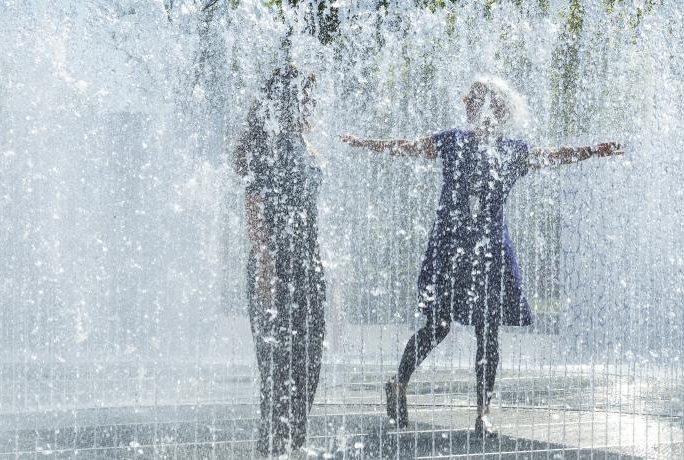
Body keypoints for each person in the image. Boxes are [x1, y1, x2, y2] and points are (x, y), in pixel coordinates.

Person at [341, 76, 623, 437]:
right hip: (449, 248)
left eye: (479, 101)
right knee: (438, 327)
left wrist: (596, 150)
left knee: (488, 333)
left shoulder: (513, 151)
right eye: (470, 101)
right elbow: (407, 147)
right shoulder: (453, 141)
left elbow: (556, 156)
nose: (473, 108)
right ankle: (398, 384)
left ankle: (482, 413)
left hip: (491, 252)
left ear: (499, 110)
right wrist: (365, 143)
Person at [232, 63, 326, 456]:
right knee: (277, 373)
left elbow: (311, 212)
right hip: (275, 266)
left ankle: (293, 446)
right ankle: (272, 449)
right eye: (306, 94)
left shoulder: (305, 145)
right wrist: (267, 266)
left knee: (308, 366)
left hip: (309, 266)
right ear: (288, 99)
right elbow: (254, 207)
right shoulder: (265, 145)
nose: (313, 102)